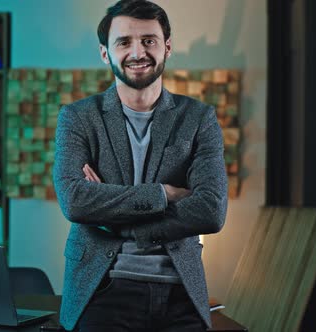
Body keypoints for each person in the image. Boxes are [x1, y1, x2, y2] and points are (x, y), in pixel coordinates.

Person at [53, 0, 228, 331]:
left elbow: (211, 210)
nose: (138, 52)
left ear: (167, 48)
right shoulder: (77, 118)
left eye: (149, 40)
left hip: (181, 292)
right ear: (105, 53)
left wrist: (114, 212)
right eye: (124, 42)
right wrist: (165, 193)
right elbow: (75, 202)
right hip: (103, 288)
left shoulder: (198, 118)